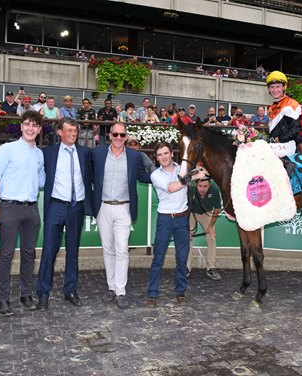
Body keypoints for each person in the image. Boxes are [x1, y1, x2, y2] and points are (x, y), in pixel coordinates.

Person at [0, 111, 46, 316]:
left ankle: (25, 294)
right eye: (27, 124)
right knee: (7, 255)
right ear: (21, 126)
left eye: (34, 126)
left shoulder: (40, 154)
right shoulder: (7, 149)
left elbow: (42, 181)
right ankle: (3, 299)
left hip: (31, 209)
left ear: (39, 130)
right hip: (9, 208)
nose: (30, 128)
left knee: (29, 254)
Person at [92, 122, 151, 309]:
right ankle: (111, 288)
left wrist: (169, 175)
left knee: (122, 250)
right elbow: (87, 175)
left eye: (122, 135)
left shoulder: (134, 156)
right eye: (115, 134)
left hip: (124, 209)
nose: (118, 138)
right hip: (103, 207)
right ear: (109, 135)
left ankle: (121, 290)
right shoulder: (98, 153)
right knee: (108, 249)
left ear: (126, 137)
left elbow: (145, 176)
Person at [35, 118, 93, 310]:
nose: (73, 134)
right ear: (59, 132)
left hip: (76, 207)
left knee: (73, 252)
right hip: (56, 207)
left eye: (75, 131)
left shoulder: (85, 153)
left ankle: (70, 291)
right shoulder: (48, 153)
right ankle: (43, 293)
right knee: (49, 251)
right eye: (69, 130)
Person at [146, 142, 199, 308]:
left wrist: (199, 171)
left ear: (172, 154)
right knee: (158, 258)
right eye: (160, 154)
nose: (163, 157)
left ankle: (180, 291)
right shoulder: (156, 175)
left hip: (182, 219)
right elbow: (171, 188)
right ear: (156, 157)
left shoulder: (181, 169)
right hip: (165, 220)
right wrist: (191, 177)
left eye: (166, 153)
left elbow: (197, 171)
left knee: (182, 259)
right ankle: (152, 293)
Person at [265, 71, 302, 175]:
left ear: (284, 87)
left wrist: (280, 139)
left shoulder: (292, 104)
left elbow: (295, 130)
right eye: (272, 87)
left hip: (287, 144)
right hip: (275, 144)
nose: (275, 90)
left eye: (278, 87)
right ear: (268, 89)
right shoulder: (271, 107)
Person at [187, 177, 222, 281]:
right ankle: (186, 268)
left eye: (205, 186)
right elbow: (184, 207)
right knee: (187, 238)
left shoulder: (215, 189)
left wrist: (210, 226)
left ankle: (211, 268)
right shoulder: (190, 187)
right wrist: (186, 228)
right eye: (200, 186)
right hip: (191, 213)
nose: (202, 189)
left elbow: (217, 208)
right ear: (196, 184)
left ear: (209, 185)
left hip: (206, 212)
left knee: (211, 237)